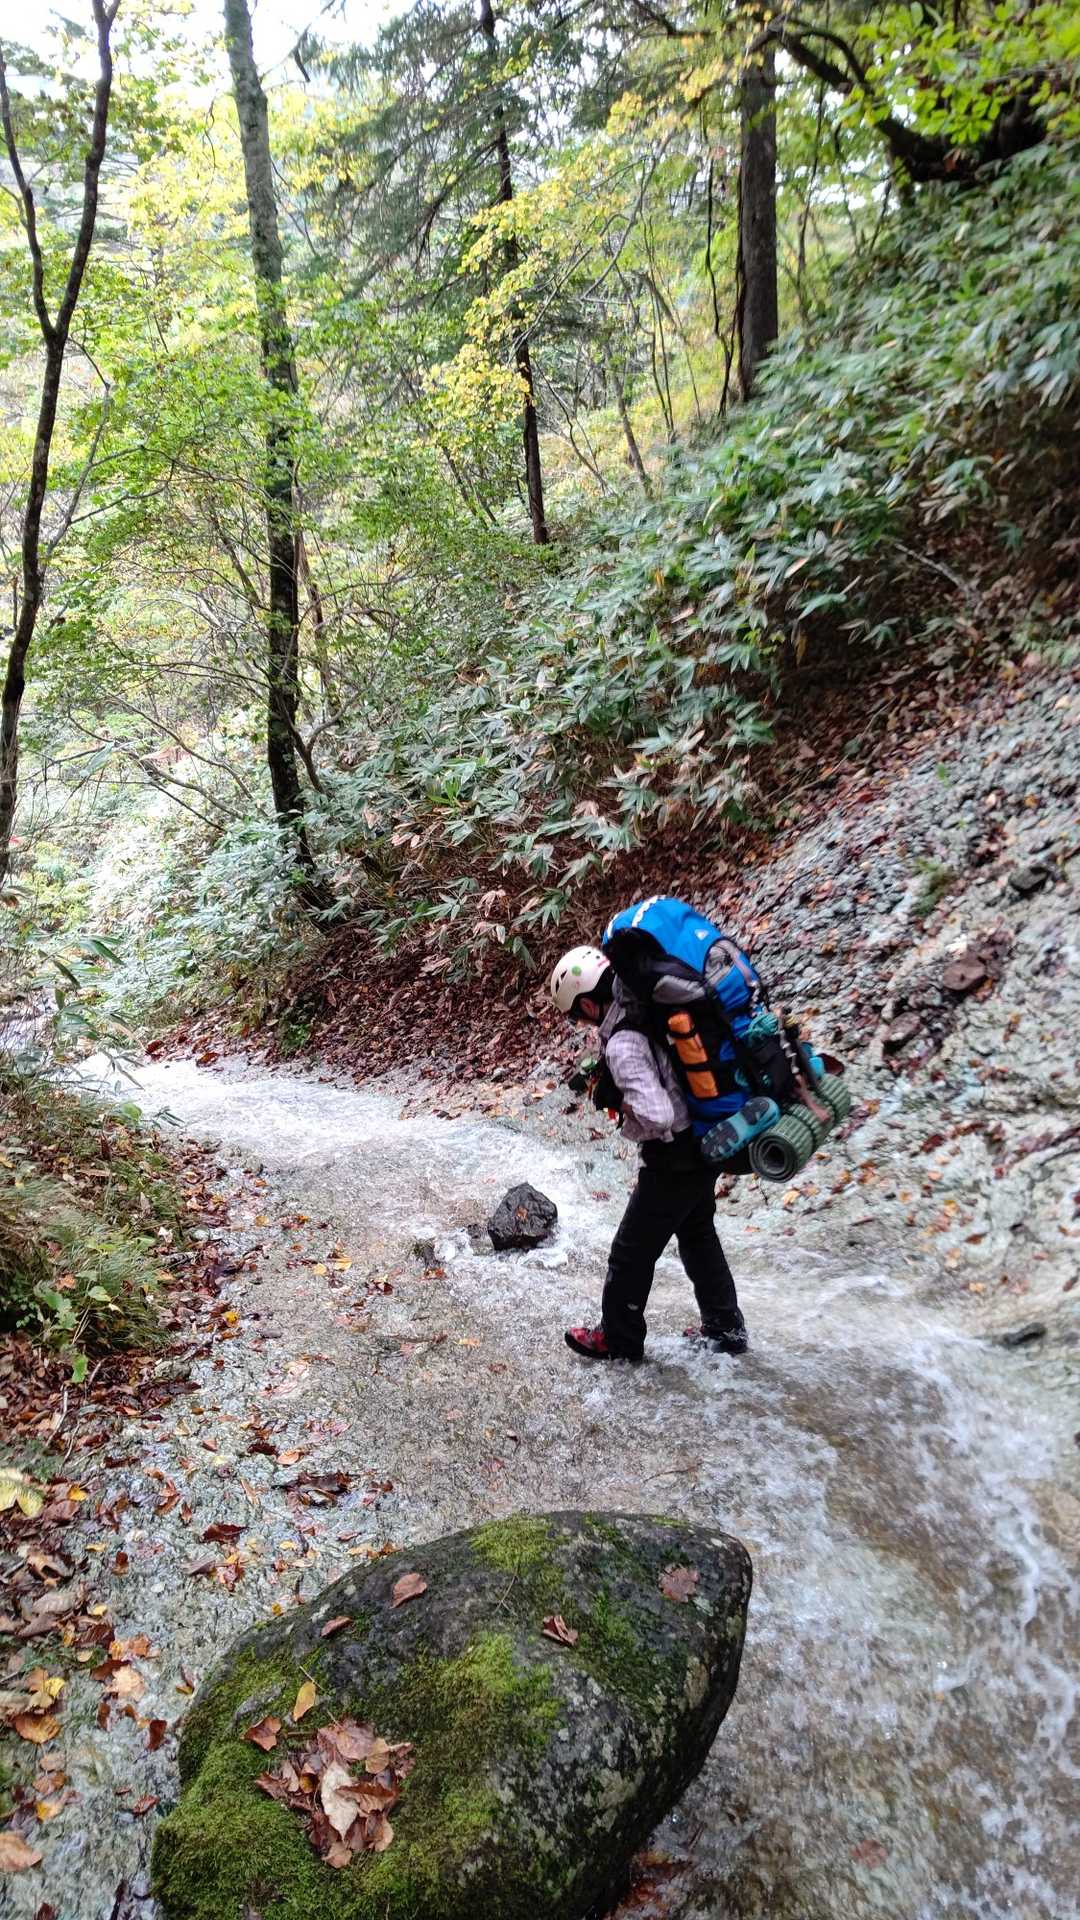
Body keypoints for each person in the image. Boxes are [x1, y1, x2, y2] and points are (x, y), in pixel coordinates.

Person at [550, 944, 748, 1362]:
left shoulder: (622, 1043)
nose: (583, 1022)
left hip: (673, 1157)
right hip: (703, 1139)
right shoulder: (645, 1009)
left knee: (630, 1251)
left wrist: (622, 1103)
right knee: (697, 1235)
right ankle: (725, 1329)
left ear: (588, 1003)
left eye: (578, 1014)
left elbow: (658, 1116)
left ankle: (618, 1339)